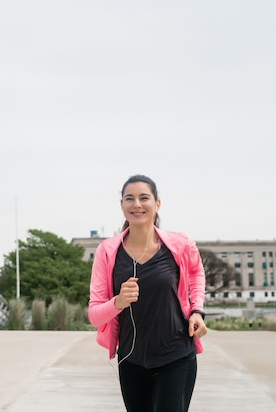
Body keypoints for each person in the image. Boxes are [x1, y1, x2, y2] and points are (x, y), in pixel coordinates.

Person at [88, 174, 207, 412]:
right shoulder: (108, 252)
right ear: (122, 205)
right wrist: (118, 302)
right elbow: (94, 314)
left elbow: (196, 274)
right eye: (129, 199)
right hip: (131, 359)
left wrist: (197, 310)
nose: (137, 204)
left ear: (157, 203)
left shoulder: (180, 245)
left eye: (144, 198)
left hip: (176, 354)